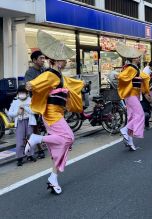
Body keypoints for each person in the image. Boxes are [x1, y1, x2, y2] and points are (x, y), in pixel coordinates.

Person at [25, 30, 84, 194]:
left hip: (56, 113)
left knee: (62, 145)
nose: (66, 62)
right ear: (57, 61)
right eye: (64, 59)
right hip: (51, 114)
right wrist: (31, 85)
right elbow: (36, 83)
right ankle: (37, 138)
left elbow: (70, 83)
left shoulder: (59, 75)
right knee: (68, 138)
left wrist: (81, 84)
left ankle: (53, 177)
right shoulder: (52, 74)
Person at [117, 43, 150, 151]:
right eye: (137, 56)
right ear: (133, 58)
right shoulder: (132, 68)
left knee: (132, 117)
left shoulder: (134, 68)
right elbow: (122, 76)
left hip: (133, 95)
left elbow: (142, 77)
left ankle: (129, 141)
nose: (139, 58)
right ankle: (125, 130)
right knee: (140, 115)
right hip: (131, 95)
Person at [24, 50, 46, 159]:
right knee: (35, 127)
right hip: (35, 103)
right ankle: (40, 149)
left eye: (43, 58)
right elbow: (29, 87)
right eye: (41, 58)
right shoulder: (29, 72)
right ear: (34, 60)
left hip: (46, 100)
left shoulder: (44, 70)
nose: (43, 60)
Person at [8, 85, 37, 166]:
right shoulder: (15, 101)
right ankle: (19, 158)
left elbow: (34, 111)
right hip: (20, 122)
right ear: (17, 93)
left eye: (23, 92)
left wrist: (25, 107)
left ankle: (30, 155)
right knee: (20, 140)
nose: (22, 94)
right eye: (20, 92)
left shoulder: (30, 100)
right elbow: (10, 113)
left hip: (29, 121)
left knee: (30, 139)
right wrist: (17, 112)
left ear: (27, 93)